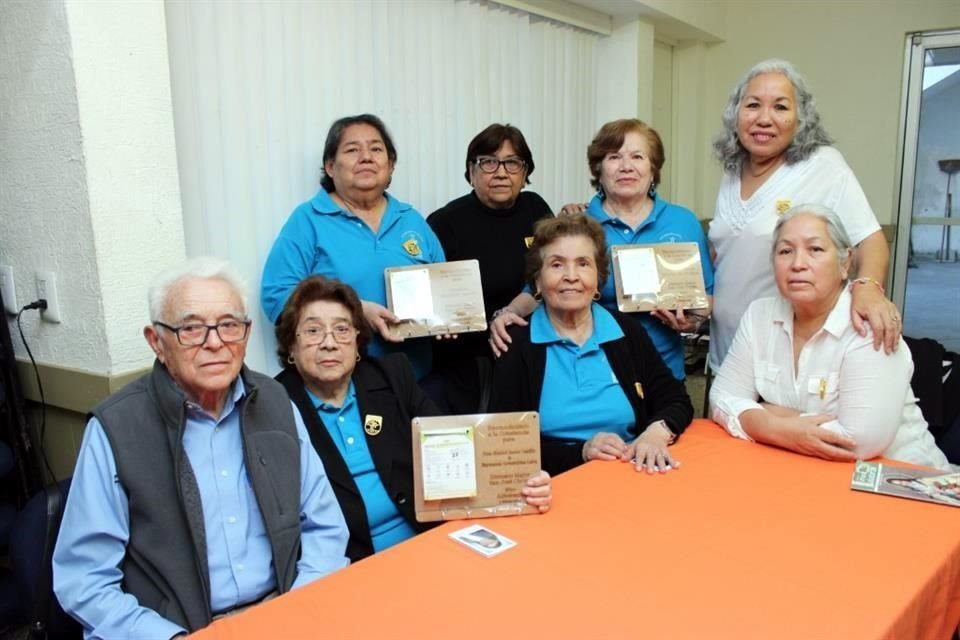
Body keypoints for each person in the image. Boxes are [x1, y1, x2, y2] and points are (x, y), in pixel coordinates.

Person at [53, 258, 349, 639]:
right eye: (191, 328)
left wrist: (296, 610)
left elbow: (325, 526)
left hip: (288, 611)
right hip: (179, 630)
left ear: (245, 334)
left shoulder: (276, 401)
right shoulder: (116, 428)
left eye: (228, 325)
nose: (215, 342)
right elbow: (84, 579)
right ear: (156, 342)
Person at [274, 275, 552, 563]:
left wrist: (519, 483)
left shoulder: (391, 375)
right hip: (346, 564)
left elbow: (454, 448)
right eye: (313, 331)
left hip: (427, 541)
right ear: (291, 348)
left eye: (342, 329)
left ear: (358, 343)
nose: (329, 343)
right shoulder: (274, 406)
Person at [709, 205, 949, 469]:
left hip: (902, 481)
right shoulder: (759, 315)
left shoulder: (869, 323)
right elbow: (720, 397)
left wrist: (765, 412)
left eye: (815, 250)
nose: (798, 264)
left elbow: (858, 442)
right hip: (806, 473)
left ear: (845, 262)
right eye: (786, 251)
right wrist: (776, 426)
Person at [709, 59, 899, 370]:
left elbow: (871, 239)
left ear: (801, 118)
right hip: (726, 349)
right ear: (735, 114)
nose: (764, 119)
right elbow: (727, 256)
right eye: (753, 105)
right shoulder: (732, 171)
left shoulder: (823, 165)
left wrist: (868, 288)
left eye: (781, 107)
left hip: (786, 357)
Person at [489, 214, 694, 476]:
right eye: (556, 265)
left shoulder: (626, 332)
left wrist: (655, 433)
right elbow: (505, 447)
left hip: (632, 472)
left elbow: (676, 399)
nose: (571, 276)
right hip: (553, 484)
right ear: (537, 281)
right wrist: (582, 452)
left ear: (598, 278)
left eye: (583, 264)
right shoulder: (516, 343)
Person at [261, 114, 445, 380]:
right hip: (337, 385)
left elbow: (443, 287)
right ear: (331, 166)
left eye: (376, 149)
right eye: (352, 150)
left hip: (414, 379)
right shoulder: (308, 219)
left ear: (390, 164)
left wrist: (448, 319)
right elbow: (276, 295)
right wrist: (355, 310)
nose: (366, 157)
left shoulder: (411, 219)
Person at [553, 119, 714, 380]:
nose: (626, 167)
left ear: (653, 168)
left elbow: (706, 294)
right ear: (598, 168)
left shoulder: (682, 221)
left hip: (663, 372)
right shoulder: (577, 226)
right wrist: (508, 314)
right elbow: (542, 293)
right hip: (592, 370)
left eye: (638, 157)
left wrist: (692, 321)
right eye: (614, 157)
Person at [427, 124, 552, 412]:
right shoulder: (445, 222)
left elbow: (550, 270)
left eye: (512, 163)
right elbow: (432, 291)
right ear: (471, 172)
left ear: (524, 173)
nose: (500, 172)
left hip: (530, 347)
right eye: (488, 162)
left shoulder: (536, 210)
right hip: (466, 358)